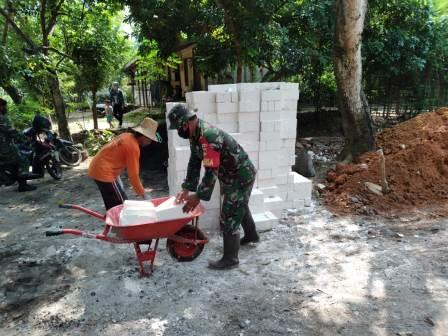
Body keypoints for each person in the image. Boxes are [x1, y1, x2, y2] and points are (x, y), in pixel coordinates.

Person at [168, 104, 260, 270]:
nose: (178, 132)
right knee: (239, 204)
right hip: (231, 175)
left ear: (185, 123)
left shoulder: (208, 136)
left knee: (229, 215)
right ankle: (252, 236)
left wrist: (198, 196)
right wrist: (187, 187)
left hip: (240, 176)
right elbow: (194, 162)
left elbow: (211, 171)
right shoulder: (195, 135)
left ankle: (231, 259)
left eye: (178, 128)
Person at [88, 118, 161, 210]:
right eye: (150, 139)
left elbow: (112, 155)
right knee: (122, 207)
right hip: (104, 172)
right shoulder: (133, 148)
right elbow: (133, 175)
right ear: (144, 136)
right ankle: (117, 223)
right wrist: (144, 194)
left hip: (97, 167)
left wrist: (117, 177)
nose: (150, 142)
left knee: (114, 205)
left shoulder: (127, 136)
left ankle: (112, 223)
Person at [0, 98, 38, 192]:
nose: (5, 108)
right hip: (4, 147)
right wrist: (25, 139)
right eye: (4, 106)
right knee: (23, 159)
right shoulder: (2, 118)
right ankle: (23, 185)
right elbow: (12, 132)